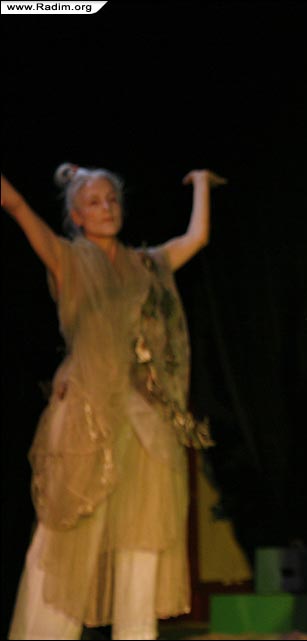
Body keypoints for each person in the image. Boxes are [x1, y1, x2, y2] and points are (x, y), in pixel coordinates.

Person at [2, 164, 224, 640]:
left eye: (112, 199)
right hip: (86, 415)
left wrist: (202, 185)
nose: (107, 208)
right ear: (77, 216)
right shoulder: (66, 258)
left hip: (142, 419)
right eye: (94, 202)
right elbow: (17, 206)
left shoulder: (146, 264)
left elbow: (196, 238)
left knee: (141, 541)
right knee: (66, 538)